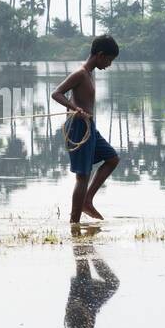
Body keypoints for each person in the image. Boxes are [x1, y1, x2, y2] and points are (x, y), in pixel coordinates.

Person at [50, 34, 122, 223]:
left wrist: (75, 107)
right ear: (100, 55)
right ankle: (74, 223)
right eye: (109, 59)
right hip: (78, 127)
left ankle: (87, 201)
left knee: (112, 158)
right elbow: (56, 93)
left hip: (89, 126)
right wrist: (75, 109)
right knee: (83, 175)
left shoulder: (90, 74)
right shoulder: (80, 73)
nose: (109, 64)